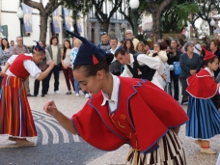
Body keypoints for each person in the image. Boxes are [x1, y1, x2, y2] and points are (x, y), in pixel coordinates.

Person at [44, 30, 188, 165]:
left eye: (84, 83)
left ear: (100, 74)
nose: (82, 89)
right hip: (141, 153)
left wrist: (168, 142)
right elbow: (77, 127)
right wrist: (56, 113)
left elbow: (174, 114)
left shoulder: (138, 88)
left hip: (166, 154)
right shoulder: (98, 100)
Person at [0, 41, 54, 146]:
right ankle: (20, 138)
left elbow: (10, 60)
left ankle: (15, 134)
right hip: (14, 84)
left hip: (7, 82)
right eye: (41, 58)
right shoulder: (28, 61)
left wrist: (5, 71)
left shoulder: (23, 54)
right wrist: (51, 67)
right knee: (19, 110)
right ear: (36, 54)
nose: (40, 61)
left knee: (9, 109)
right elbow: (40, 77)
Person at [186, 47, 220, 154]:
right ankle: (204, 146)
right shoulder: (204, 74)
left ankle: (200, 140)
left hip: (200, 100)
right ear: (209, 64)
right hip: (201, 101)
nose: (218, 65)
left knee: (203, 121)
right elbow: (211, 87)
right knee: (206, 120)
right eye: (216, 63)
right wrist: (218, 85)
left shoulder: (207, 72)